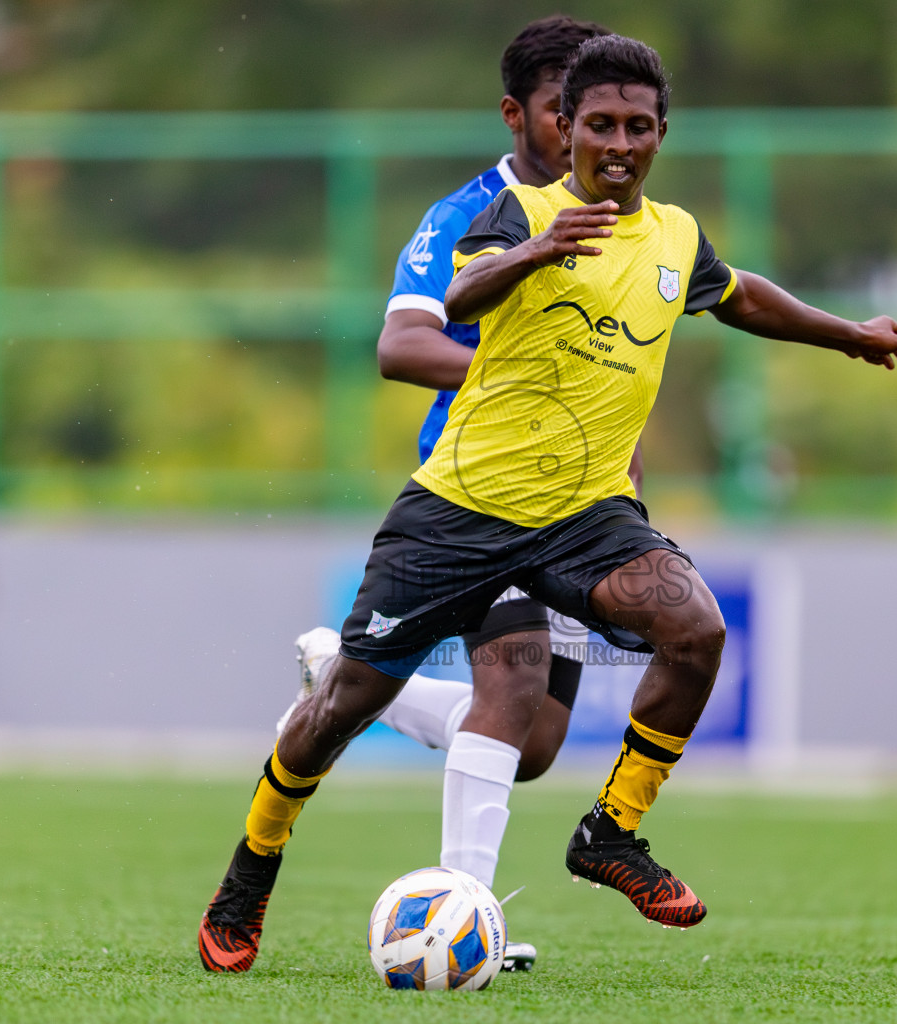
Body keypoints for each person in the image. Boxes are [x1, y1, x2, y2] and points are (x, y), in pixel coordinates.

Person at [198, 34, 897, 973]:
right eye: (599, 126)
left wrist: (847, 335)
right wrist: (538, 250)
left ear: (661, 134)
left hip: (584, 514)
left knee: (691, 631)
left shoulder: (674, 235)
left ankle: (608, 836)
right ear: (566, 131)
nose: (618, 144)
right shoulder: (517, 210)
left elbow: (739, 296)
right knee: (343, 704)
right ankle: (250, 872)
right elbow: (459, 291)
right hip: (461, 509)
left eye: (638, 127)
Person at [276, 17, 621, 972]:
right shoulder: (471, 214)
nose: (585, 134)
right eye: (566, 112)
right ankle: (462, 918)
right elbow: (404, 343)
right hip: (481, 494)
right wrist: (522, 384)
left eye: (598, 116)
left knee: (538, 740)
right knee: (508, 691)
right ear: (520, 114)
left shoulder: (619, 222)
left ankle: (357, 690)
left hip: (583, 505)